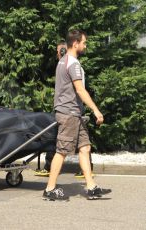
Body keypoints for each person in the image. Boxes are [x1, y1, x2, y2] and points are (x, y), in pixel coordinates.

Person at [42, 29, 111, 201]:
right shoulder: (72, 64)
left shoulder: (63, 61)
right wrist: (95, 109)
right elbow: (80, 89)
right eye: (84, 43)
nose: (85, 45)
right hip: (69, 114)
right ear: (75, 44)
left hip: (74, 114)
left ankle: (90, 187)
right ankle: (50, 189)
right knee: (62, 151)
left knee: (85, 147)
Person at [35, 41, 94, 178]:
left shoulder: (69, 63)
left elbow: (79, 89)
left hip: (70, 109)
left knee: (75, 147)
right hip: (70, 109)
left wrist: (94, 109)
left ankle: (89, 183)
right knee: (69, 148)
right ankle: (52, 184)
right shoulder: (66, 64)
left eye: (60, 50)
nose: (58, 53)